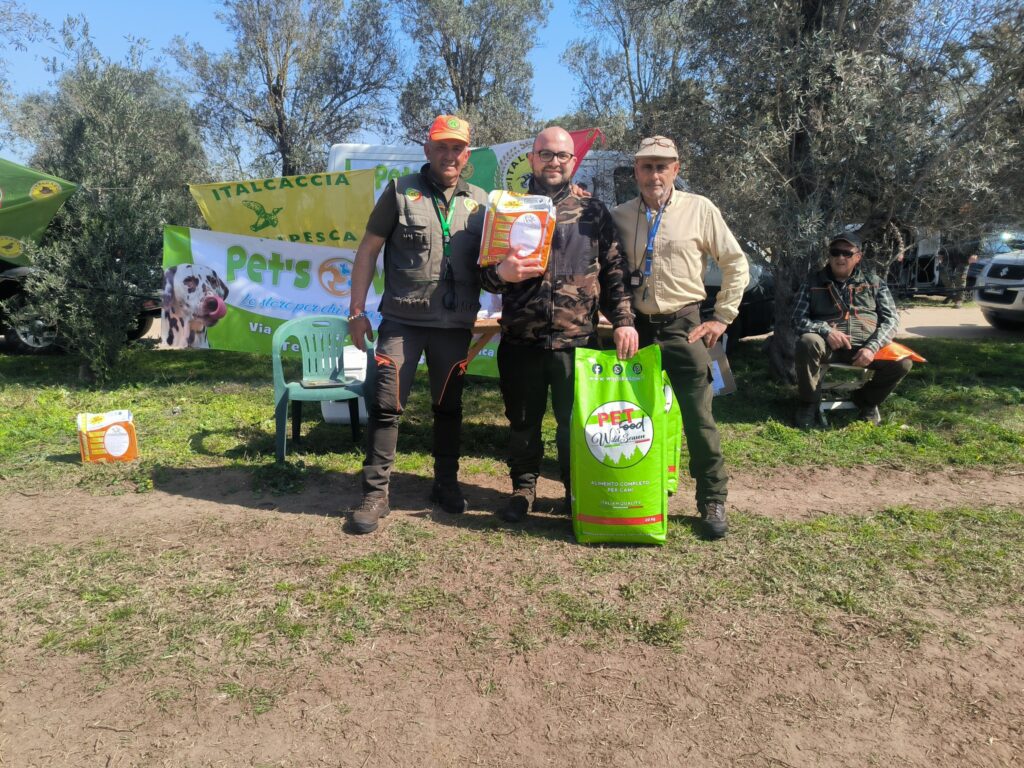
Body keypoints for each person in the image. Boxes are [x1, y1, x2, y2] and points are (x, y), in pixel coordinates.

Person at [480, 126, 638, 523]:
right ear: (532, 159)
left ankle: (575, 491)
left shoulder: (593, 211)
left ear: (573, 161)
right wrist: (503, 272)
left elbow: (614, 272)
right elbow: (483, 275)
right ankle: (523, 490)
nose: (554, 162)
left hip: (577, 341)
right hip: (521, 337)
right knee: (522, 422)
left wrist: (622, 321)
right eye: (545, 154)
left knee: (576, 424)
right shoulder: (507, 210)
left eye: (562, 156)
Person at [345, 115, 488, 534]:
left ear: (467, 155)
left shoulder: (482, 201)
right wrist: (357, 310)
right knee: (387, 406)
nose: (449, 154)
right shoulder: (399, 192)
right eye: (441, 146)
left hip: (455, 324)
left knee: (449, 408)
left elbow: (498, 259)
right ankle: (375, 493)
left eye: (457, 148)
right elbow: (369, 250)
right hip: (403, 322)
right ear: (427, 150)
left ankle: (445, 485)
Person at [611, 136, 749, 540]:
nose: (654, 174)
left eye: (662, 166)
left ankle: (712, 499)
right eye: (647, 166)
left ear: (676, 168)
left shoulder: (700, 209)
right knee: (630, 418)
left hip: (685, 327)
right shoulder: (619, 214)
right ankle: (636, 491)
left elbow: (736, 263)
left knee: (699, 419)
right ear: (635, 170)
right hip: (635, 329)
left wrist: (721, 318)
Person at [792, 232, 912, 429]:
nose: (840, 257)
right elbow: (797, 319)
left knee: (903, 363)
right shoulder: (812, 282)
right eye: (835, 252)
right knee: (807, 342)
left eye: (846, 253)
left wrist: (872, 347)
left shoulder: (875, 282)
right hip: (828, 347)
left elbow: (891, 320)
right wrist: (825, 331)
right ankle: (808, 403)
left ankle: (866, 400)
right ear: (829, 256)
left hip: (866, 347)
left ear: (858, 257)